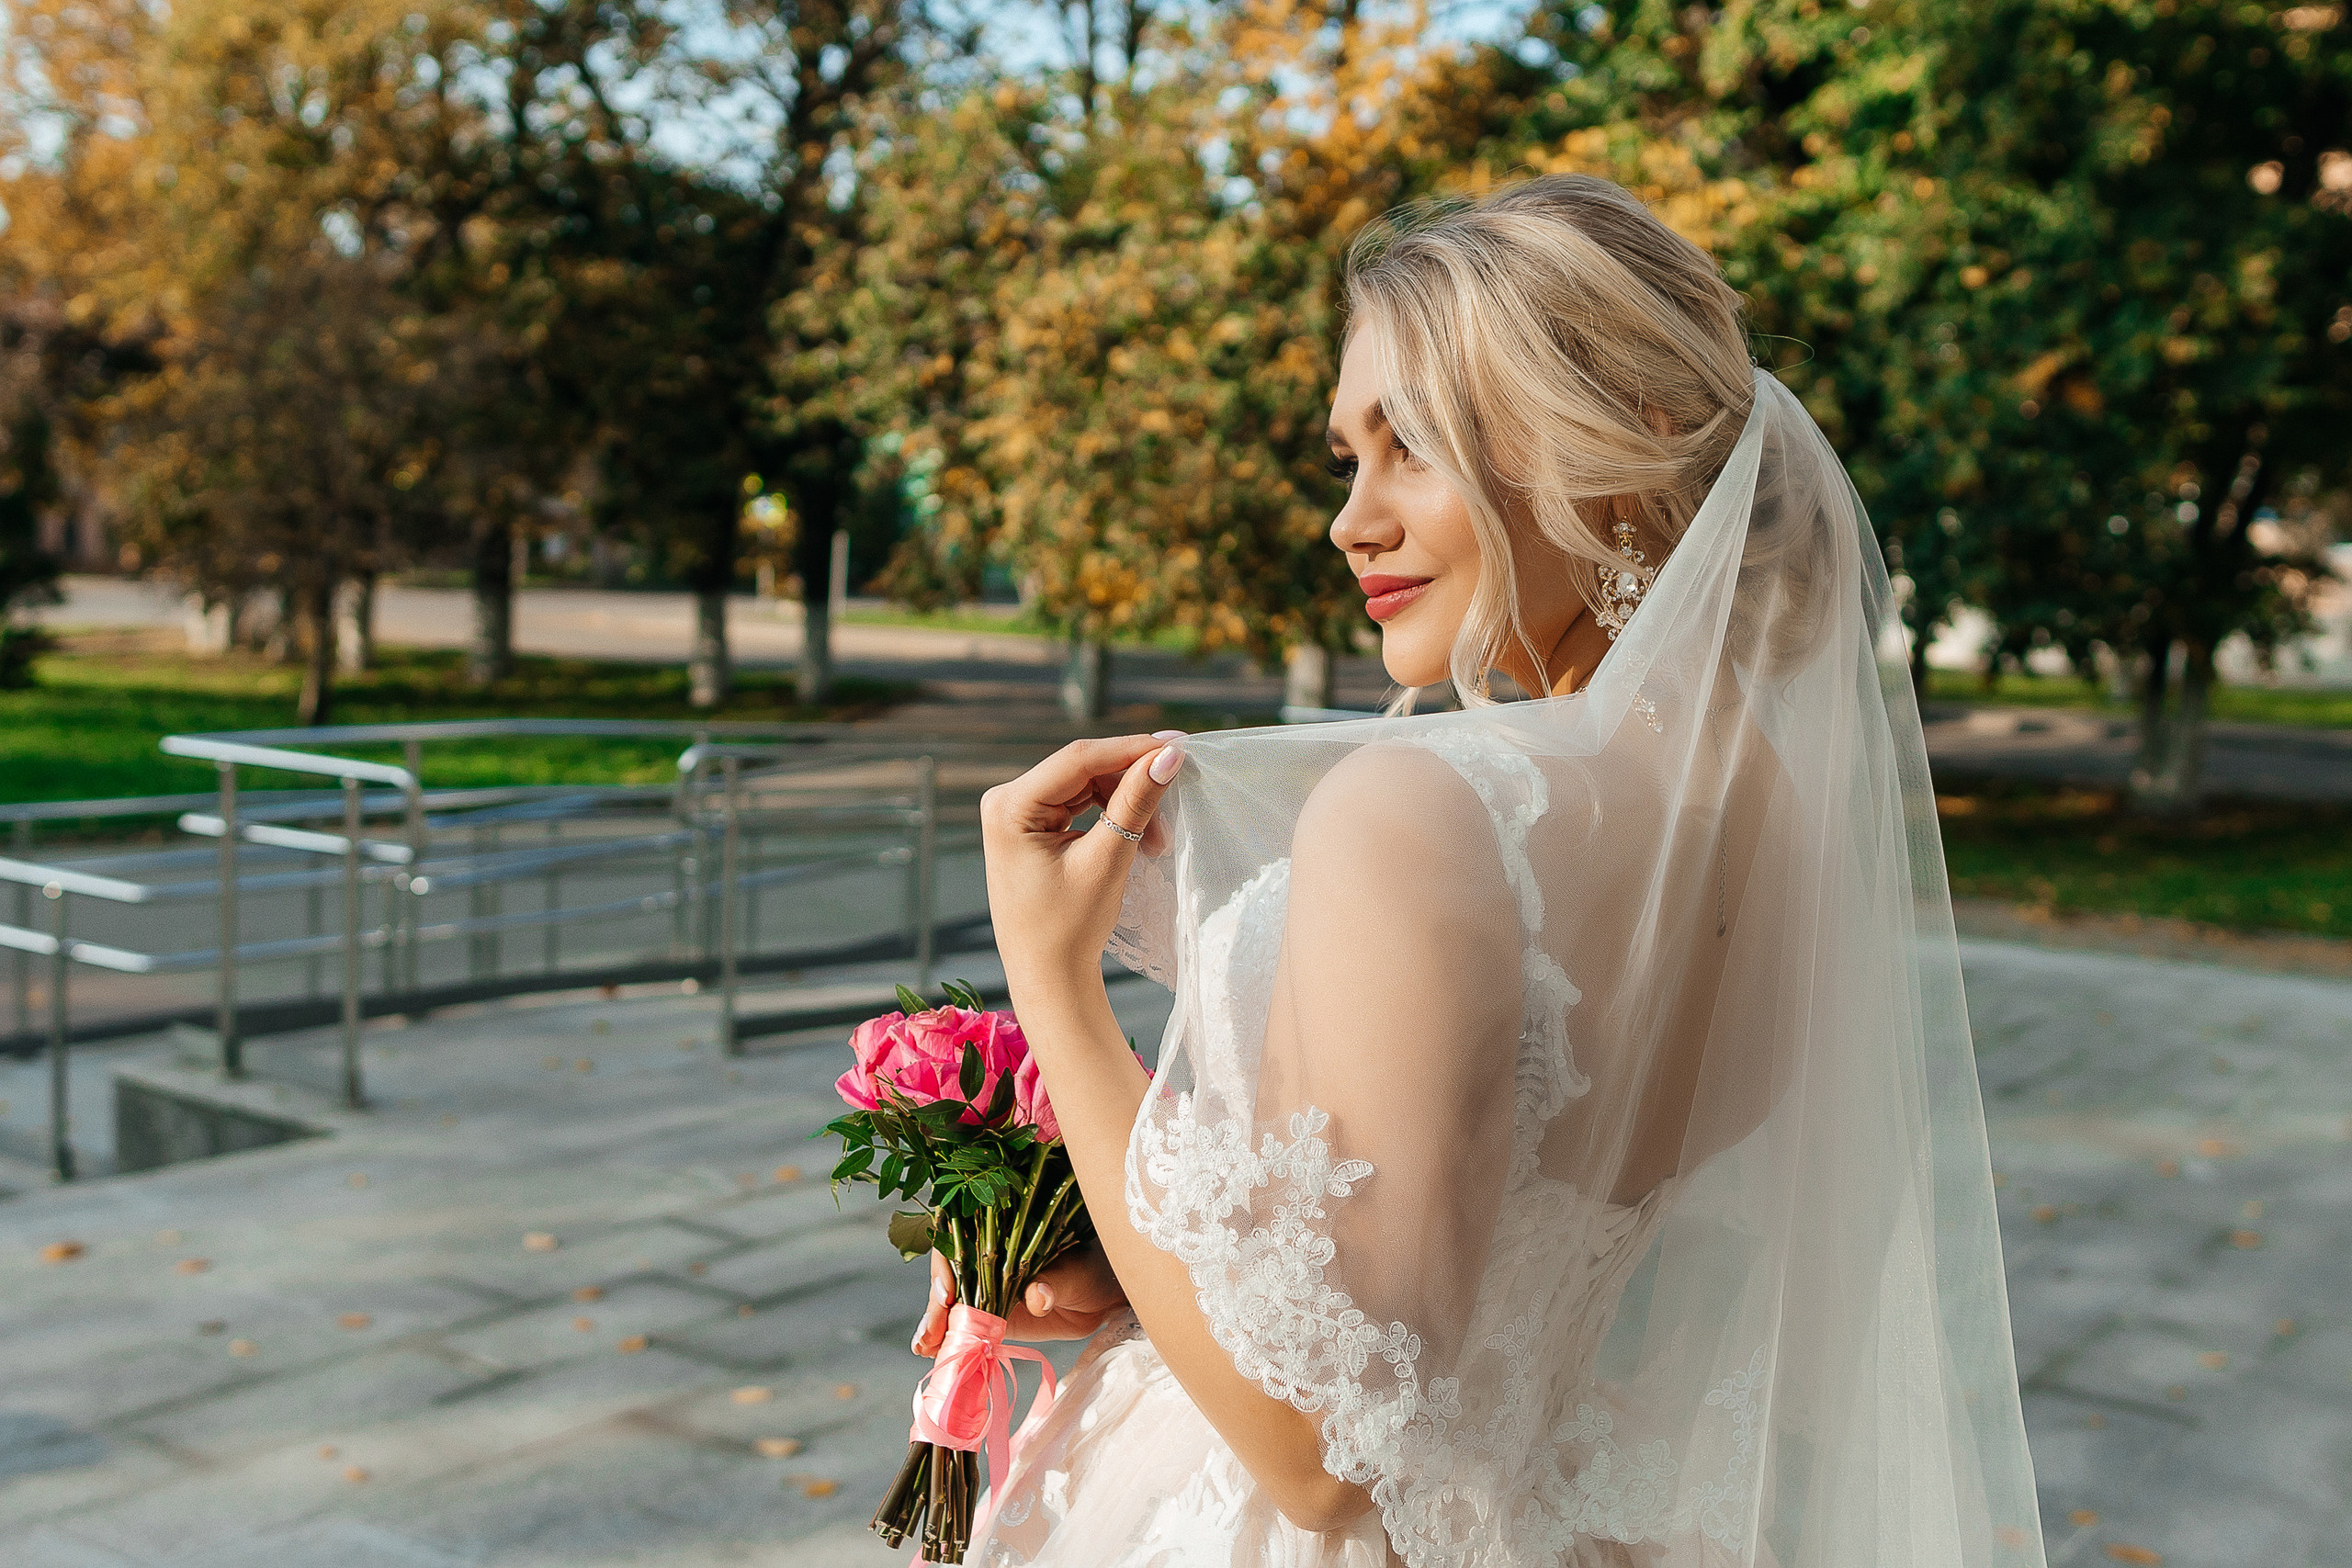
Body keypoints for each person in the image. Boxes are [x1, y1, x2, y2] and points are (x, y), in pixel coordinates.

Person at [915, 174, 2047, 1567]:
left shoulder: (1418, 808)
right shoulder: (1784, 841)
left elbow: (1327, 1456)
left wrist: (1057, 991)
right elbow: (1467, 1256)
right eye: (1346, 459)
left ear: (1615, 448)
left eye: (1416, 449)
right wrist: (1127, 1272)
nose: (1353, 521)